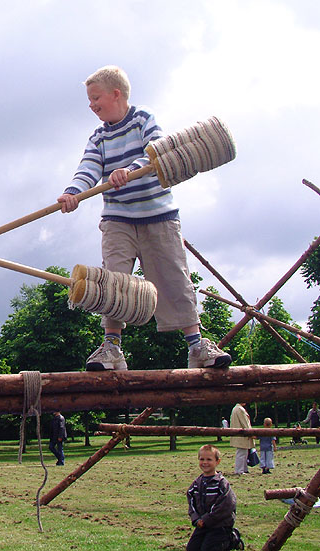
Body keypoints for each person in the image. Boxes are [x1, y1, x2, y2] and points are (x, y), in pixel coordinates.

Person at [57, 65, 231, 372]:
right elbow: (87, 168)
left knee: (175, 278)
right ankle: (111, 348)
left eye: (96, 98)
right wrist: (73, 192)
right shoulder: (98, 137)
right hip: (118, 221)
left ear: (116, 94)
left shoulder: (142, 119)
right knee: (112, 281)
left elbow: (158, 149)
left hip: (158, 217)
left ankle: (196, 346)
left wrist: (132, 167)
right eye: (89, 100)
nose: (91, 105)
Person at [186, 444, 237, 551]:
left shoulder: (221, 483)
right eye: (202, 459)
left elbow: (226, 505)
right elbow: (191, 502)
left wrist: (206, 519)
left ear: (217, 462)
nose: (205, 462)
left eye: (209, 459)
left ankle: (231, 539)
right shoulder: (197, 484)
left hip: (220, 525)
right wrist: (196, 519)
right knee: (192, 548)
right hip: (202, 525)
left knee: (208, 548)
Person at [229, 403, 254, 475]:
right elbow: (245, 423)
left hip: (240, 435)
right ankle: (239, 470)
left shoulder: (235, 408)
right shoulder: (240, 409)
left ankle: (244, 469)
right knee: (241, 453)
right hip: (242, 435)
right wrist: (250, 432)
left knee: (244, 452)